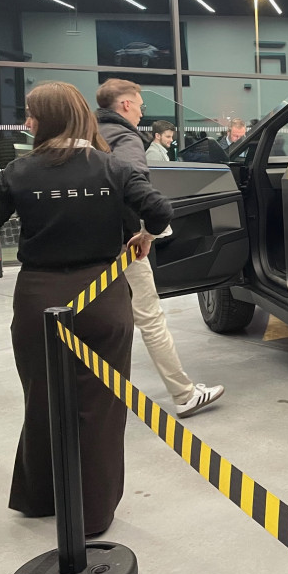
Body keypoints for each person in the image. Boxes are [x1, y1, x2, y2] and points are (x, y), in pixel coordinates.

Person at [0, 81, 173, 536]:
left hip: (39, 300)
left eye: (31, 114)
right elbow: (159, 211)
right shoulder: (113, 166)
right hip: (102, 296)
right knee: (100, 408)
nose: (26, 122)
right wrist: (144, 237)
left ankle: (41, 497)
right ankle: (92, 514)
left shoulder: (20, 171)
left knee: (42, 400)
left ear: (48, 119)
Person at [96, 79, 224, 417]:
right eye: (140, 105)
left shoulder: (87, 134)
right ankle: (183, 394)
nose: (142, 112)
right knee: (150, 319)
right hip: (123, 244)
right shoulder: (125, 138)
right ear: (125, 104)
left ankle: (87, 399)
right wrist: (148, 234)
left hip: (86, 246)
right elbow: (141, 192)